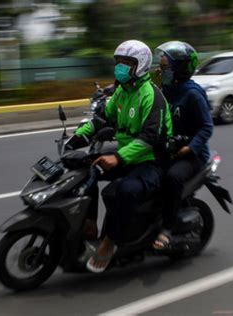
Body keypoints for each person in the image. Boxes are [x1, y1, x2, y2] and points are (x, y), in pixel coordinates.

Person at [70, 40, 172, 273]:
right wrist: (78, 136)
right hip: (129, 156)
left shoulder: (150, 95)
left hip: (151, 160)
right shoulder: (122, 93)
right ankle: (90, 224)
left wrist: (119, 157)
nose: (121, 67)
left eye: (127, 63)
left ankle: (109, 243)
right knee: (87, 169)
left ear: (141, 65)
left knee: (126, 190)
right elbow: (103, 120)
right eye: (119, 62)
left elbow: (151, 137)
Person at [153, 41, 214, 250]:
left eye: (165, 67)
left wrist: (190, 147)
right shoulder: (164, 90)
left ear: (180, 68)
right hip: (168, 150)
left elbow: (206, 127)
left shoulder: (193, 94)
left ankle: (168, 228)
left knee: (172, 177)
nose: (162, 71)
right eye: (161, 67)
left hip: (191, 155)